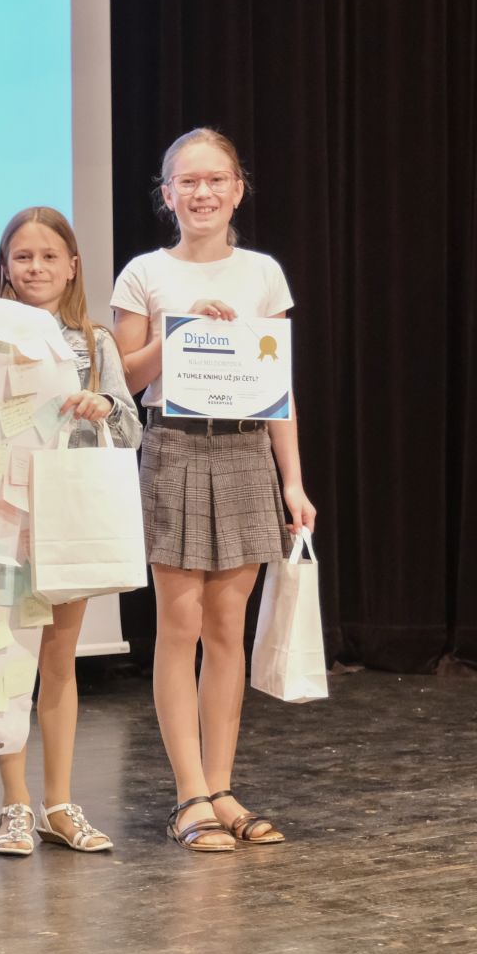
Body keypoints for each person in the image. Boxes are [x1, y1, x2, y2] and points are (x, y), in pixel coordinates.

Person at [109, 128, 318, 853]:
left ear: (238, 189)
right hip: (173, 446)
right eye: (188, 182)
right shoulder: (144, 273)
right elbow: (123, 379)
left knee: (229, 628)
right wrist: (179, 334)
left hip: (244, 449)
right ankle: (188, 794)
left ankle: (222, 788)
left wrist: (293, 481)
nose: (202, 193)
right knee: (180, 625)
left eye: (216, 180)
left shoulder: (263, 274)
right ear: (167, 194)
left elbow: (278, 386)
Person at [0, 207, 142, 856]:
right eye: (23, 257)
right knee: (7, 664)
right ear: (5, 266)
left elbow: (131, 428)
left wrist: (102, 405)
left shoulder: (95, 341)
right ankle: (15, 804)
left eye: (49, 256)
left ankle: (58, 803)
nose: (36, 268)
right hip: (4, 516)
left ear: (73, 266)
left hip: (69, 512)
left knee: (59, 660)